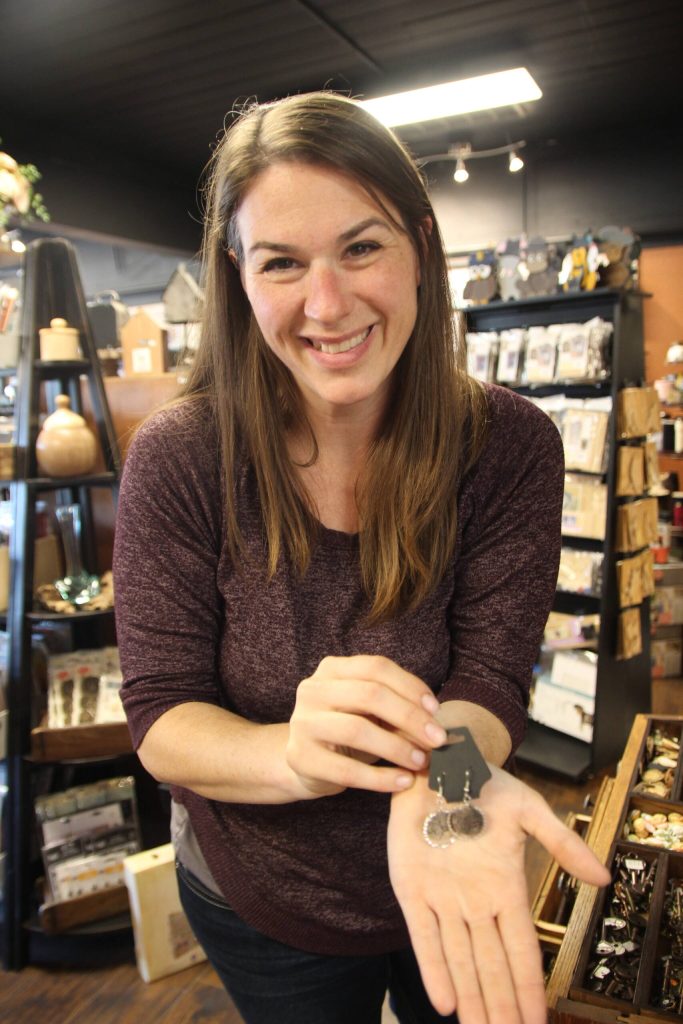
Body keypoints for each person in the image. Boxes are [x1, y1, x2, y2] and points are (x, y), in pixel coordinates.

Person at [113, 91, 610, 1024]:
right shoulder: (182, 457)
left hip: (453, 866)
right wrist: (292, 756)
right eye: (281, 262)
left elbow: (489, 678)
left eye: (360, 247)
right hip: (261, 898)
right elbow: (162, 715)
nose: (327, 305)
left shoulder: (507, 446)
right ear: (238, 275)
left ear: (419, 245)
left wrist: (445, 793)